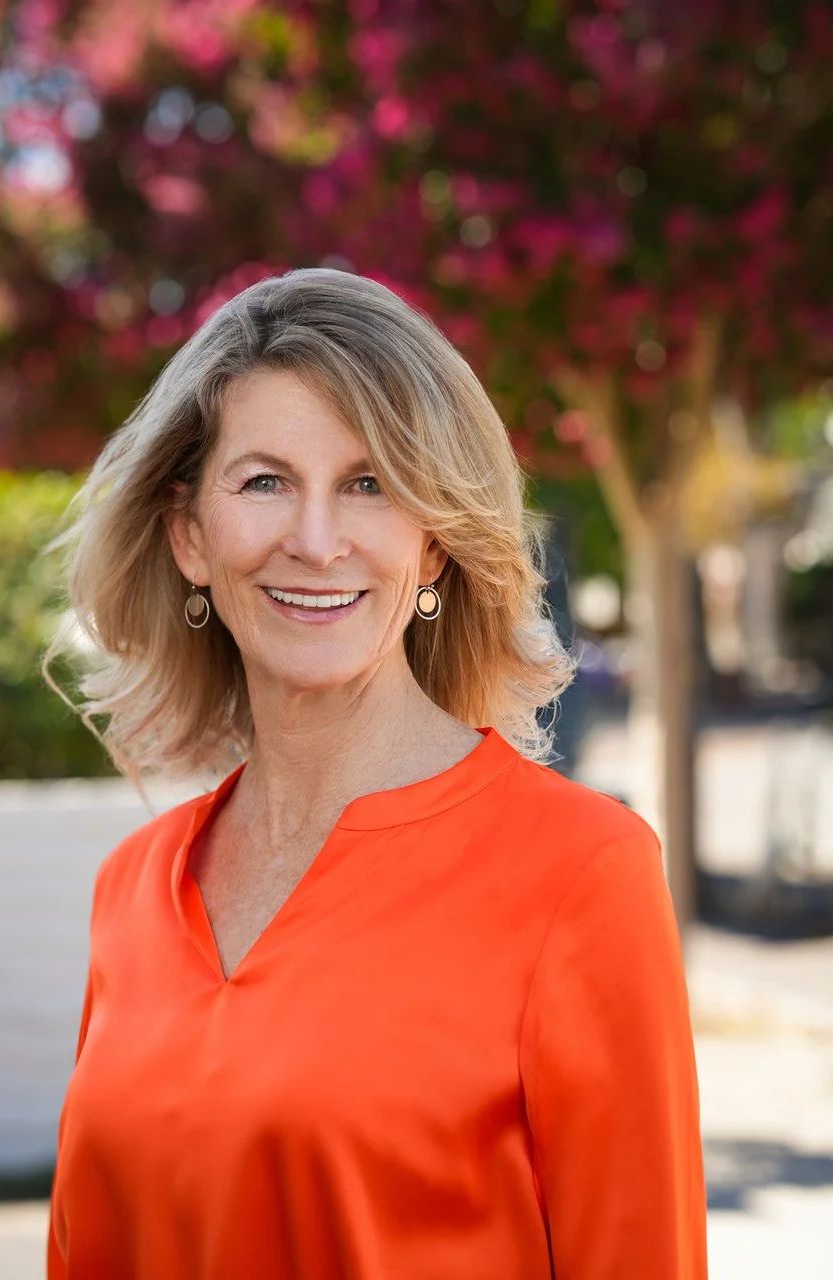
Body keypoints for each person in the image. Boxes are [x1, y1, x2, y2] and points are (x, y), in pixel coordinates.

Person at [41, 267, 708, 1278]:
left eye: (370, 483)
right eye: (264, 481)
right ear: (189, 537)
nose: (315, 541)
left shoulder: (580, 872)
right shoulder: (132, 887)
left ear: (433, 543)